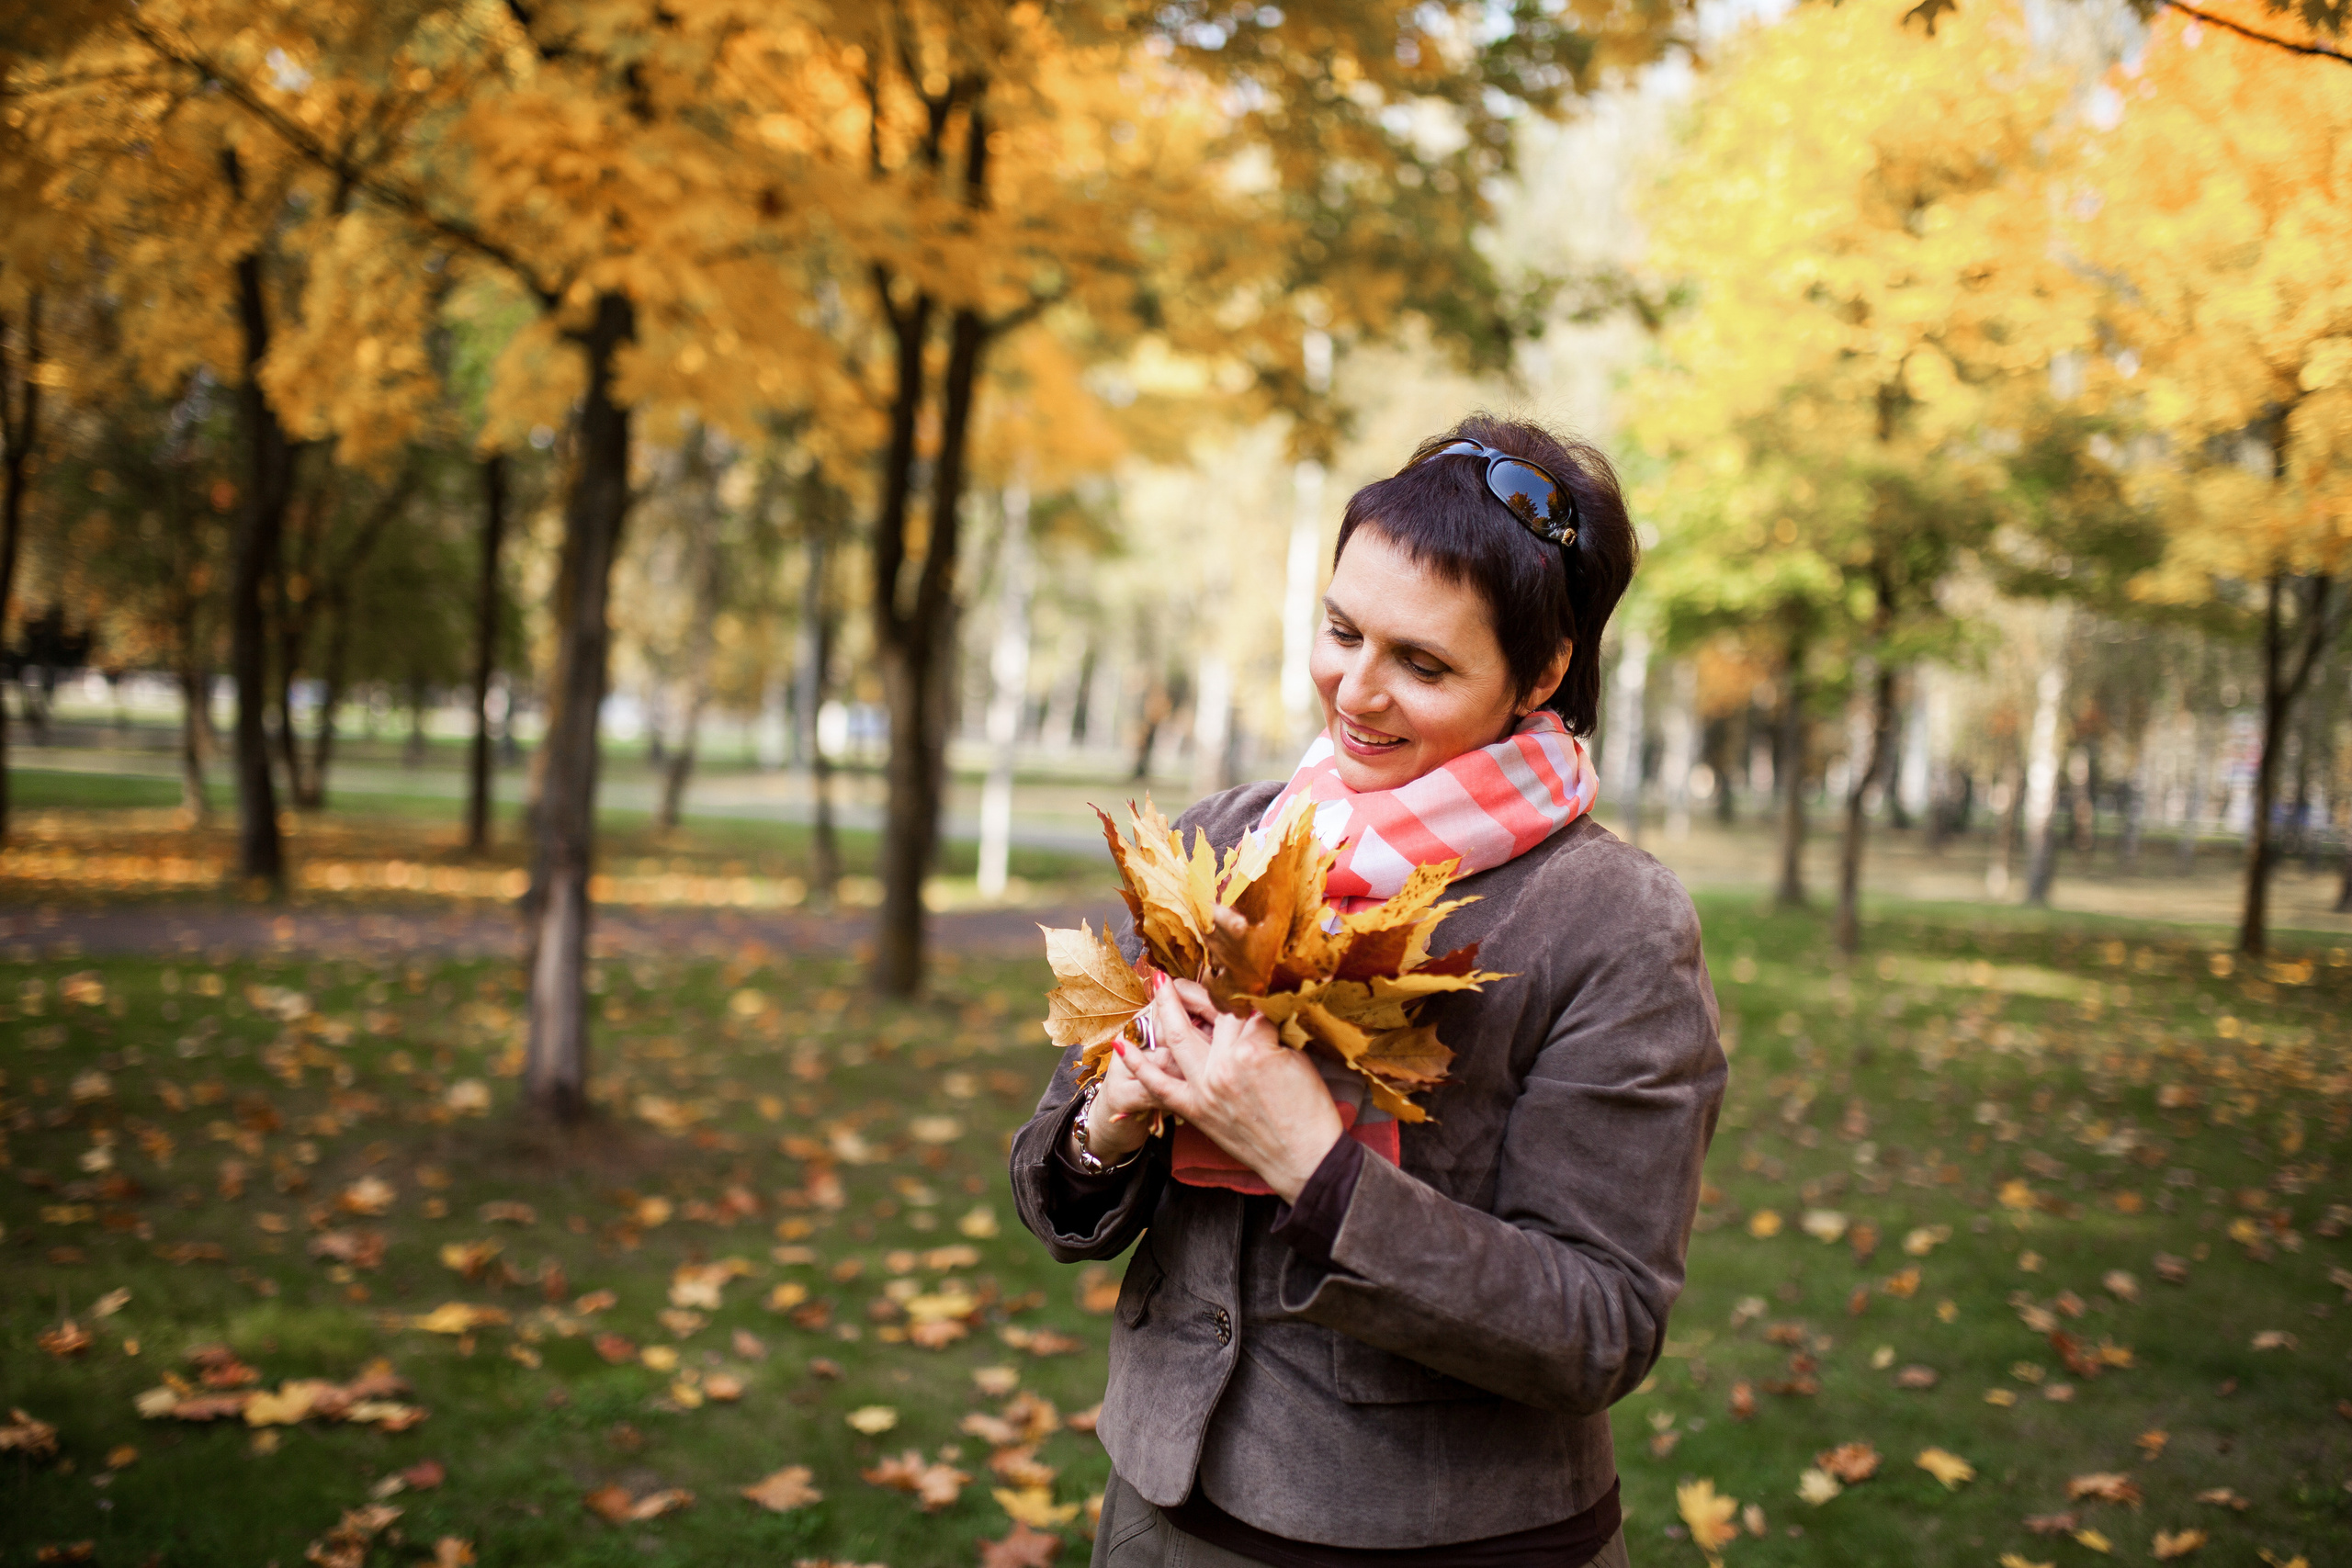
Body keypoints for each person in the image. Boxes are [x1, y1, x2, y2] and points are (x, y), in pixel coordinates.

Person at [1011, 414, 1726, 1568]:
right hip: (1157, 1512)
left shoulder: (1612, 922)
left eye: (1424, 664)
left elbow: (1602, 1325)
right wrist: (1109, 1122)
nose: (1357, 690)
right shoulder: (1224, 839)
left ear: (1540, 672)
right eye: (1341, 632)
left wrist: (1317, 1168)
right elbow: (1054, 1190)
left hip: (1435, 1541)